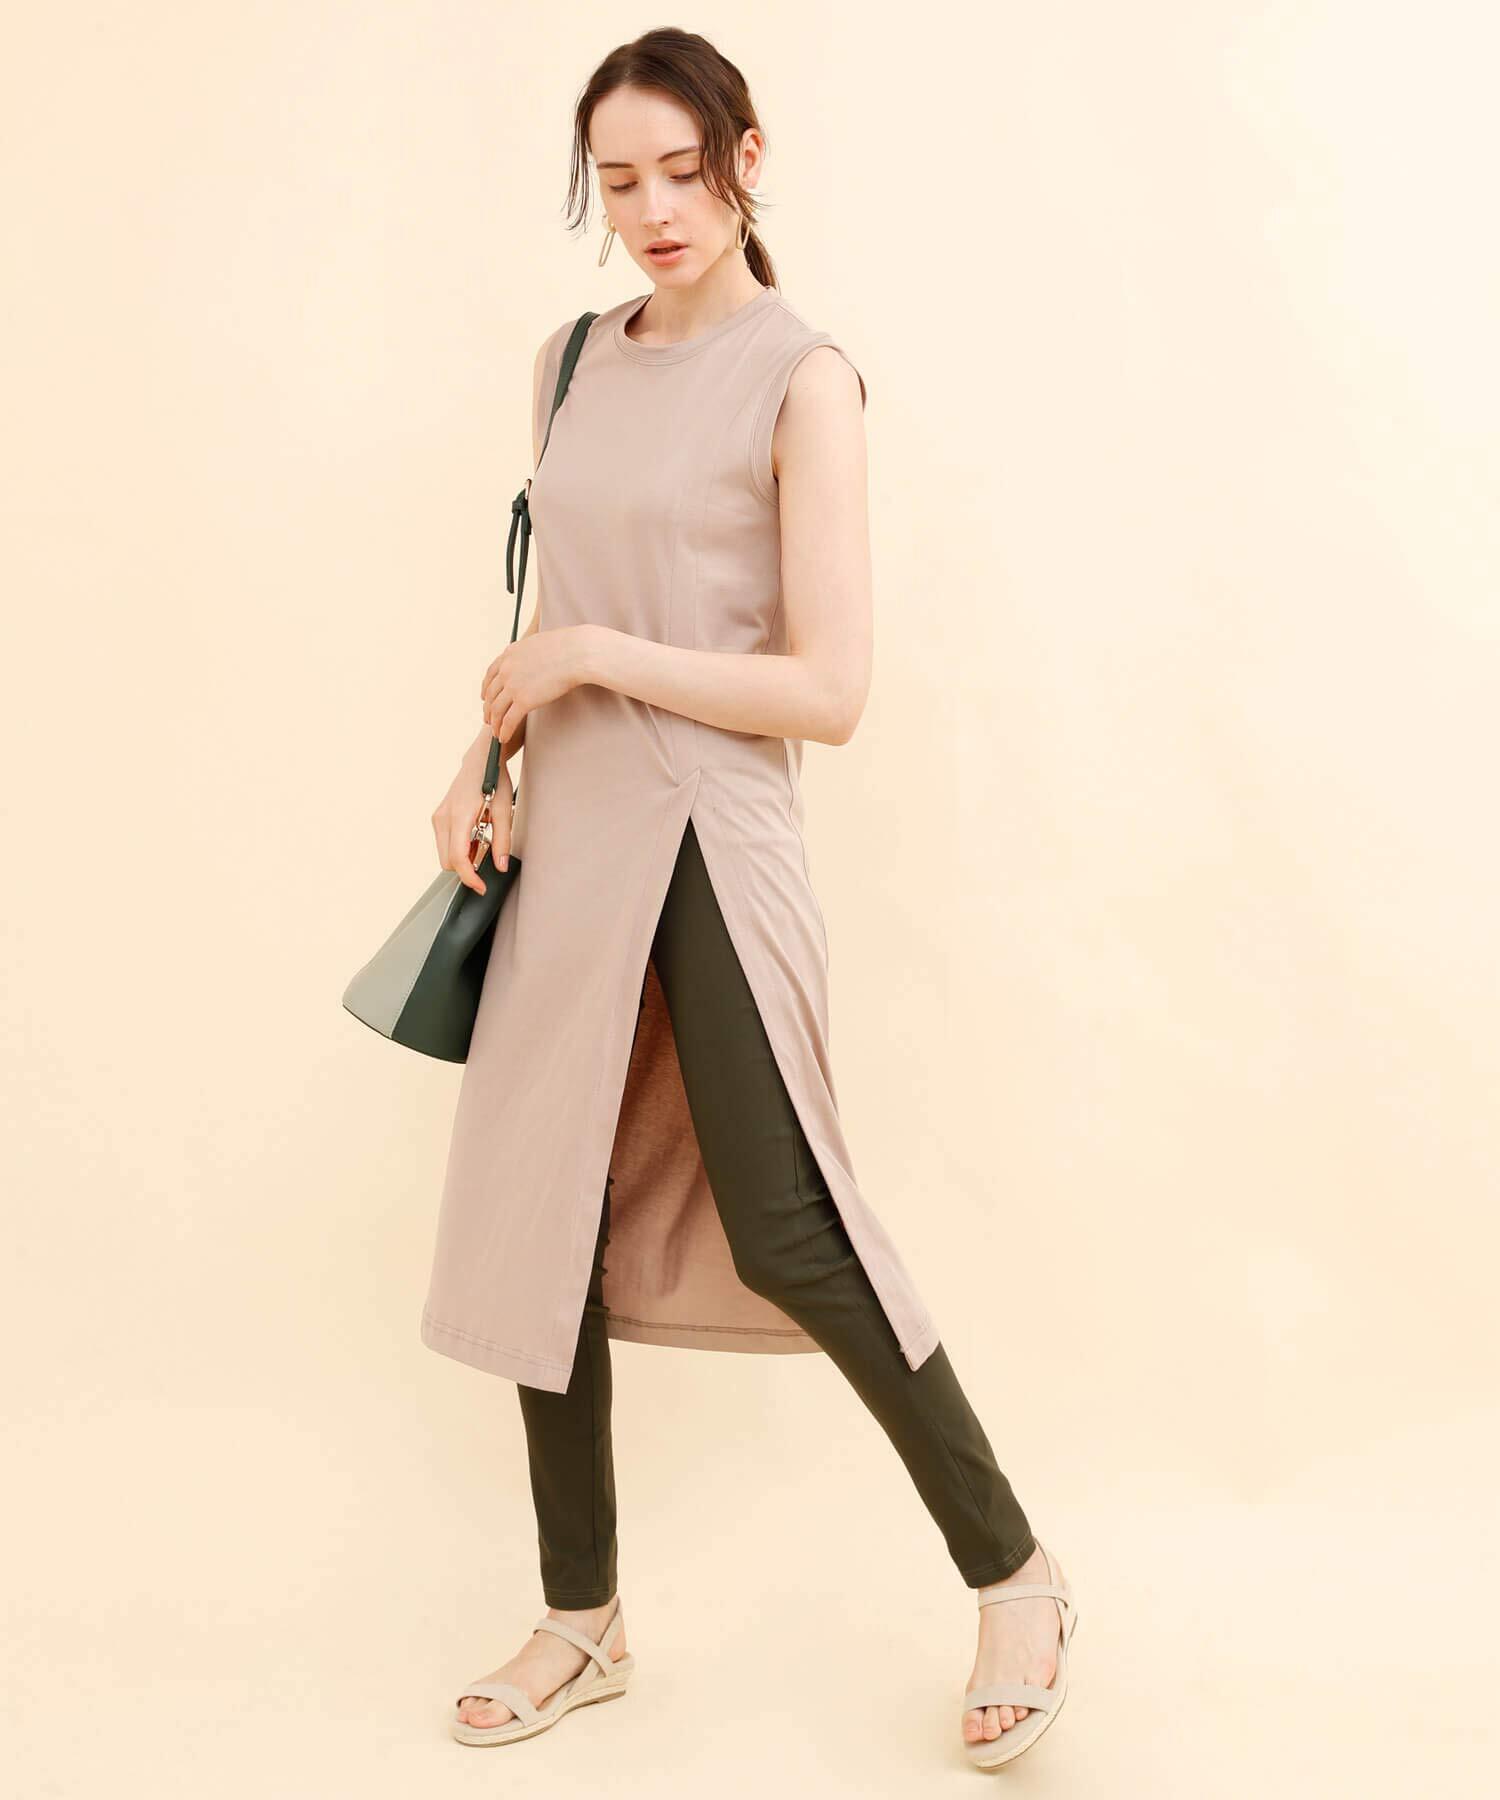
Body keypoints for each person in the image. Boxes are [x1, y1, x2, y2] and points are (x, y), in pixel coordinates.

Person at [427, 28, 1078, 1770]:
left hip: (713, 832)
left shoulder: (805, 380)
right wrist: (482, 765)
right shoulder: (570, 361)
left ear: (746, 156)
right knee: (541, 1220)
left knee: (789, 1220)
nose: (652, 209)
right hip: (568, 833)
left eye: (679, 169)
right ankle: (582, 1618)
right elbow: (551, 606)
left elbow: (827, 690)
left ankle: (1013, 1571)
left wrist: (595, 657)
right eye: (617, 180)